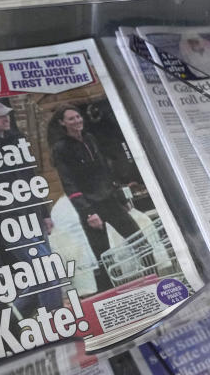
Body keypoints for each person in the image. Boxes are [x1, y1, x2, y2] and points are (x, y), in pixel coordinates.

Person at [0, 100, 60, 315]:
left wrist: (44, 213)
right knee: (47, 269)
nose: (6, 118)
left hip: (32, 215)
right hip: (7, 221)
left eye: (6, 114)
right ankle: (55, 319)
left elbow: (30, 178)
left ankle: (13, 321)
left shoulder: (17, 140)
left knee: (41, 276)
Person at [51, 105, 146, 291]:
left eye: (78, 116)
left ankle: (154, 277)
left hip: (110, 200)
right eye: (71, 118)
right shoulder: (60, 148)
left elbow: (105, 170)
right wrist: (88, 213)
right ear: (62, 123)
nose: (77, 121)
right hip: (91, 207)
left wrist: (120, 196)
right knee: (103, 255)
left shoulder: (90, 138)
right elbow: (69, 184)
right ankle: (109, 292)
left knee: (139, 239)